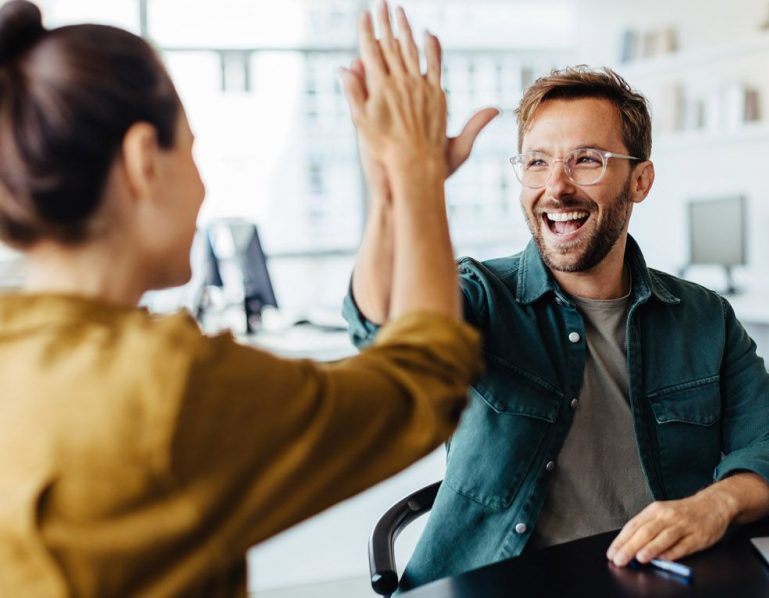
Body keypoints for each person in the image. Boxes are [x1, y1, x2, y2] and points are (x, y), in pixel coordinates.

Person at [0, 1, 482, 595]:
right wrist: (416, 169)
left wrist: (391, 193)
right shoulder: (165, 386)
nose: (203, 188)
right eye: (193, 150)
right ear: (143, 160)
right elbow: (424, 381)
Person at [346, 65, 769, 588]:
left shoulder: (703, 317)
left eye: (587, 160)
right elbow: (381, 325)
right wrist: (395, 188)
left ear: (640, 181)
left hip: (648, 582)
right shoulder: (480, 296)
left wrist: (716, 504)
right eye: (538, 162)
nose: (556, 188)